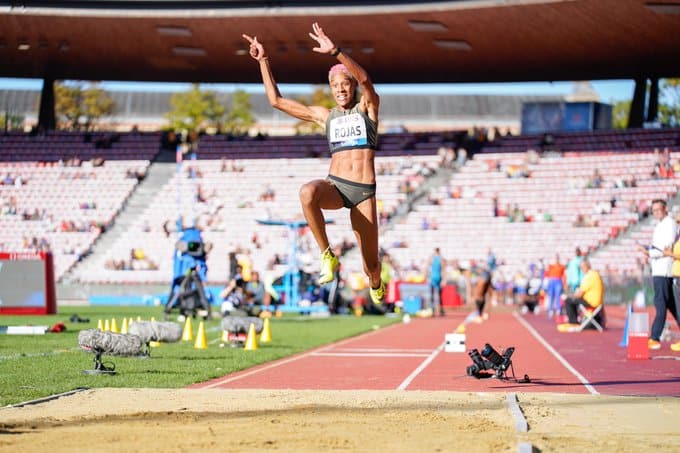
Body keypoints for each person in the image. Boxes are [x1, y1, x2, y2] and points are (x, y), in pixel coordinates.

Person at [243, 23, 384, 305]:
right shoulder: (325, 116)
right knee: (307, 191)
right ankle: (327, 255)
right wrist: (263, 61)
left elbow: (367, 80)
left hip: (363, 193)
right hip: (336, 185)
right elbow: (276, 101)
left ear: (352, 86)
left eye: (345, 83)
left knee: (371, 265)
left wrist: (337, 53)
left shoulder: (367, 108)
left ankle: (376, 281)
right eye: (335, 85)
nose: (341, 89)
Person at [636, 199, 677, 350]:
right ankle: (655, 337)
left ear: (665, 209)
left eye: (658, 209)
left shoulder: (669, 224)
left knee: (660, 303)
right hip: (658, 268)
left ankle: (654, 337)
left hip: (664, 270)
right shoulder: (659, 225)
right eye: (653, 210)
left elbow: (666, 247)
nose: (655, 213)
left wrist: (648, 252)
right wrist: (649, 251)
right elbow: (657, 247)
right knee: (672, 304)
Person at [557, 259, 605, 332]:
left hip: (591, 302)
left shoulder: (589, 276)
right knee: (573, 300)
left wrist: (569, 296)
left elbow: (579, 294)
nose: (581, 270)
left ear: (586, 267)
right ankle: (576, 321)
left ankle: (573, 323)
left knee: (568, 301)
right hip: (598, 302)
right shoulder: (595, 274)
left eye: (581, 268)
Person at [544, 253, 566, 319]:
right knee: (551, 296)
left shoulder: (562, 266)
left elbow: (563, 275)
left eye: (557, 258)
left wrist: (564, 283)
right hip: (551, 281)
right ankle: (550, 309)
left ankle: (558, 309)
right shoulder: (551, 266)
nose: (556, 259)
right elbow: (546, 273)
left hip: (558, 281)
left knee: (558, 295)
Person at [427, 248, 445, 316]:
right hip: (435, 277)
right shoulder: (438, 258)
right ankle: (436, 310)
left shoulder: (439, 258)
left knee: (436, 295)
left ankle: (437, 310)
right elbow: (443, 269)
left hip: (435, 278)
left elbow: (443, 269)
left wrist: (443, 279)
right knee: (437, 295)